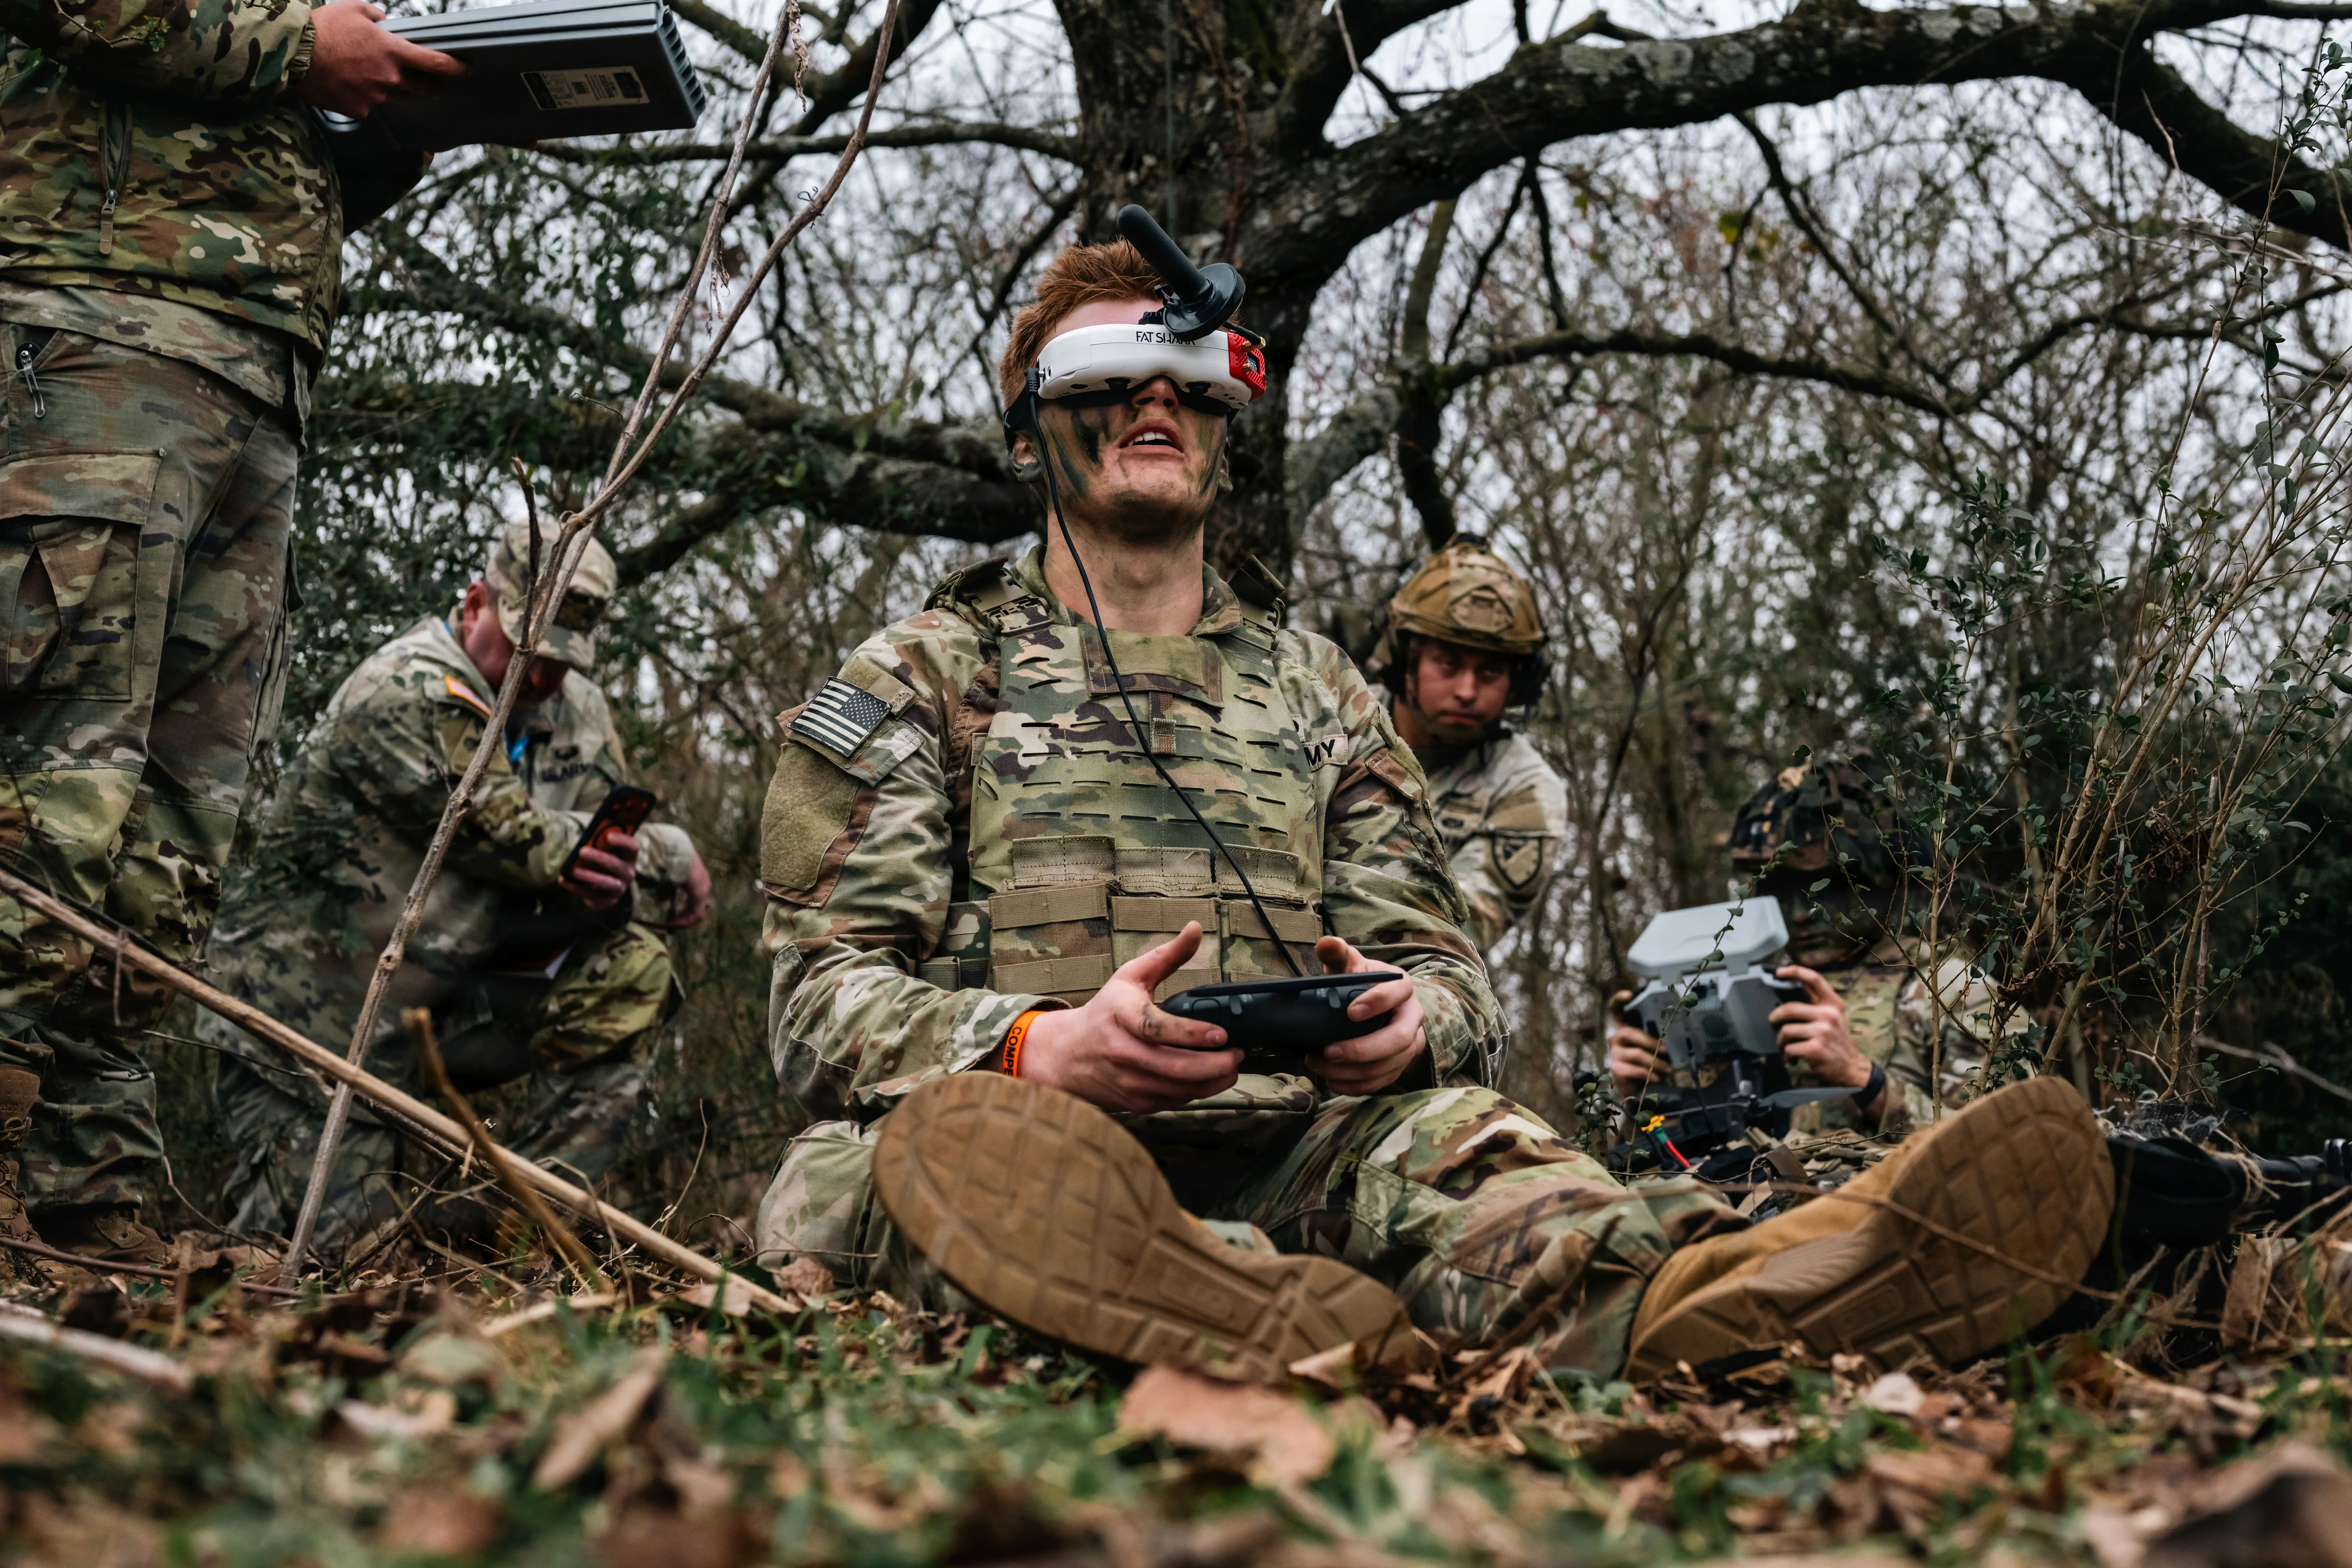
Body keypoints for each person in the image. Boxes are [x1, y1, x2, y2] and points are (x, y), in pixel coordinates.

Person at [749, 234, 2108, 1384]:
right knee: (873, 1176)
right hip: (1024, 1150)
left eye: (1186, 377)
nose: (1151, 403)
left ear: (1226, 413)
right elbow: (814, 1005)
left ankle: (1723, 1294)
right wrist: (1037, 1044)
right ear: (1035, 416)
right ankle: (1230, 1296)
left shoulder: (1324, 696)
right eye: (1108, 376)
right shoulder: (920, 678)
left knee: (1486, 1151)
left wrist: (1409, 1026)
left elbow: (1450, 975)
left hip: (1302, 1150)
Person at [0, 0, 467, 1268]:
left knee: (172, 819)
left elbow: (264, 148)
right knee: (54, 776)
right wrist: (301, 48)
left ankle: (84, 1186)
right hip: (95, 318)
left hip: (256, 357)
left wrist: (397, 118)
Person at [196, 519, 710, 1253]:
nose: (543, 678)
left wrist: (616, 880)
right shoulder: (406, 689)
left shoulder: (578, 712)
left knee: (632, 971)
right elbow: (518, 838)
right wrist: (673, 851)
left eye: (564, 661)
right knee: (330, 1266)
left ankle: (511, 1228)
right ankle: (402, 1228)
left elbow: (597, 861)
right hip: (314, 1034)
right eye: (529, 650)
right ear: (476, 604)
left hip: (450, 1003)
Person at [1607, 755, 2016, 1173]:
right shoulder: (1746, 992)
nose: (1801, 914)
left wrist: (1865, 1079)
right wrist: (1643, 1100)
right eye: (1782, 891)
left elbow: (2008, 1154)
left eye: (1827, 889)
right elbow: (1674, 1161)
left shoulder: (1953, 988)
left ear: (1883, 879)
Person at [1368, 538, 1569, 957]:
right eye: (1449, 663)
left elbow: (1449, 935)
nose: (1467, 691)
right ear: (1406, 658)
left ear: (1520, 682)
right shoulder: (1328, 717)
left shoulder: (1525, 790)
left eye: (1491, 671)